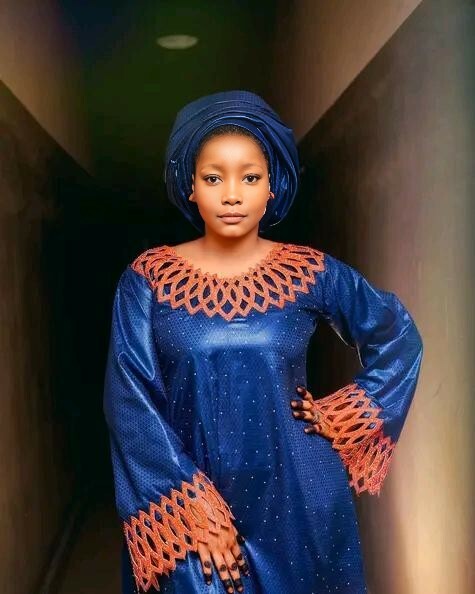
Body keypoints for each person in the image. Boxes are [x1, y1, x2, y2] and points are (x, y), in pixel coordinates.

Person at [103, 90, 424, 594]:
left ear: (272, 186)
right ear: (191, 186)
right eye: (214, 178)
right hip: (190, 506)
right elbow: (129, 403)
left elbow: (398, 335)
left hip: (301, 502)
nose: (232, 195)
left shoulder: (311, 272)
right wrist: (192, 509)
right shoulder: (147, 281)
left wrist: (349, 414)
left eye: (250, 177)